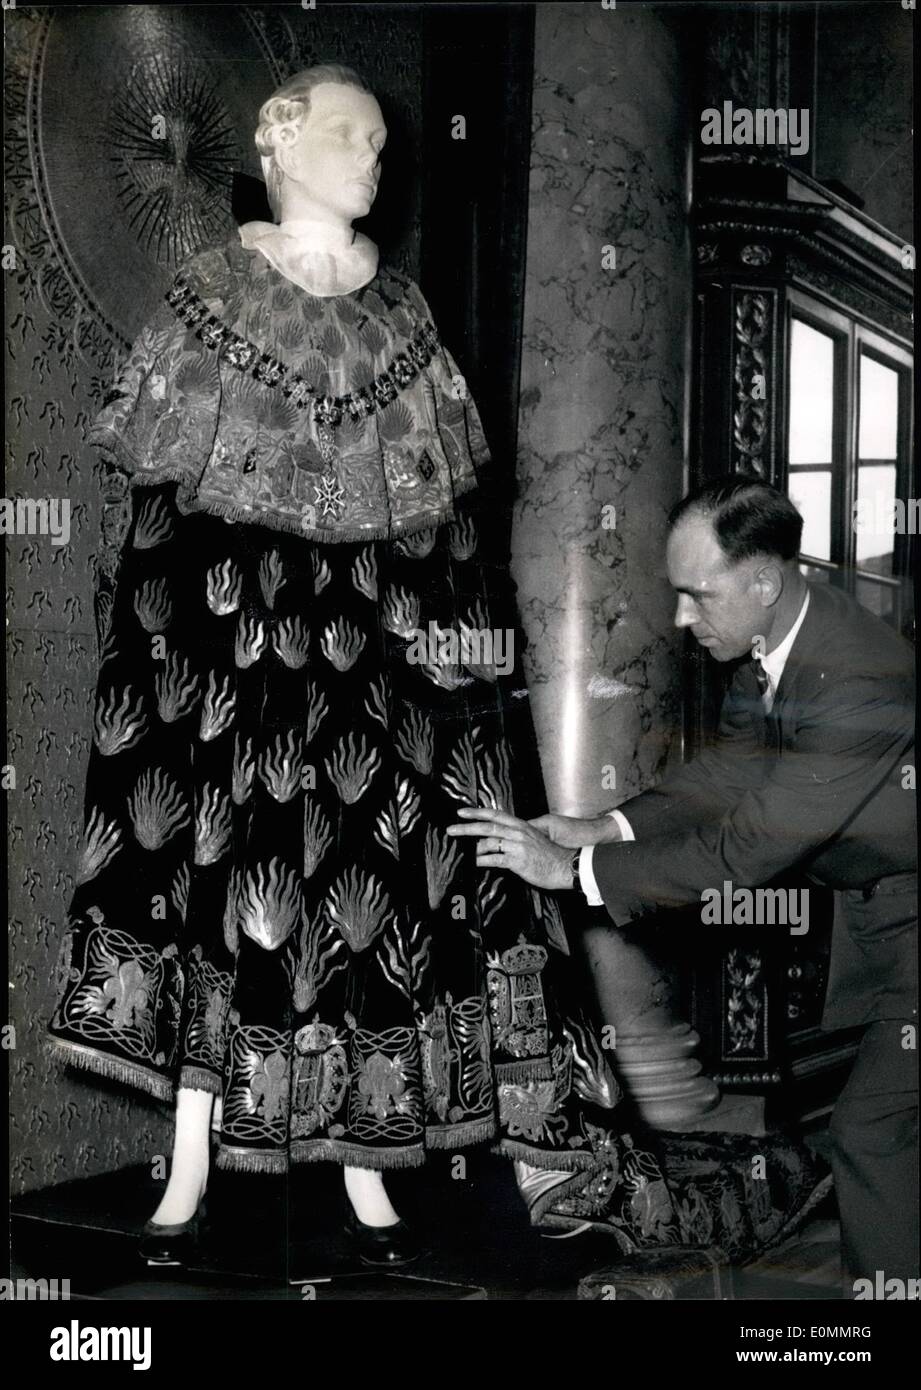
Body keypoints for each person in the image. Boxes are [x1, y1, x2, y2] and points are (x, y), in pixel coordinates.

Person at [48, 66, 824, 1276]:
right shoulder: (205, 300)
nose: (373, 159)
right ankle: (190, 1160)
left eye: (381, 142)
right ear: (281, 141)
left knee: (374, 899)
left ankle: (367, 1164)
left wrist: (456, 692)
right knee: (217, 884)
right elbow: (166, 525)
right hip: (235, 659)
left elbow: (443, 545)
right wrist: (173, 677)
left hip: (373, 672)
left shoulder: (406, 322)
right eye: (350, 137)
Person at [449, 474, 918, 1291]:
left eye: (696, 597)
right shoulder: (774, 643)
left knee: (872, 1131)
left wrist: (572, 870)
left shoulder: (856, 676)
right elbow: (731, 773)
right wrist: (606, 825)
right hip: (882, 915)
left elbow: (747, 850)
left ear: (763, 581)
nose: (679, 620)